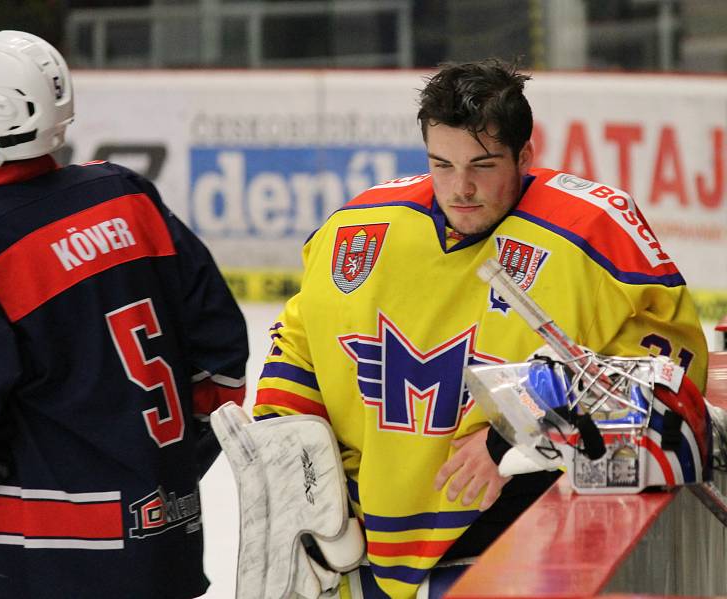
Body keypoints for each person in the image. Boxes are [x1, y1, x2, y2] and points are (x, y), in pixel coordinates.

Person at [252, 59, 708, 598]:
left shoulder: (591, 233)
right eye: (441, 164)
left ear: (525, 156)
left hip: (514, 543)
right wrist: (297, 471)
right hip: (364, 547)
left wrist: (516, 435)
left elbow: (669, 377)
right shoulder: (359, 227)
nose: (460, 187)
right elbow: (298, 343)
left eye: (483, 164)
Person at [0, 31, 248, 599]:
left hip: (49, 542)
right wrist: (163, 467)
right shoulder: (124, 193)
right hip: (167, 529)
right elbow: (221, 360)